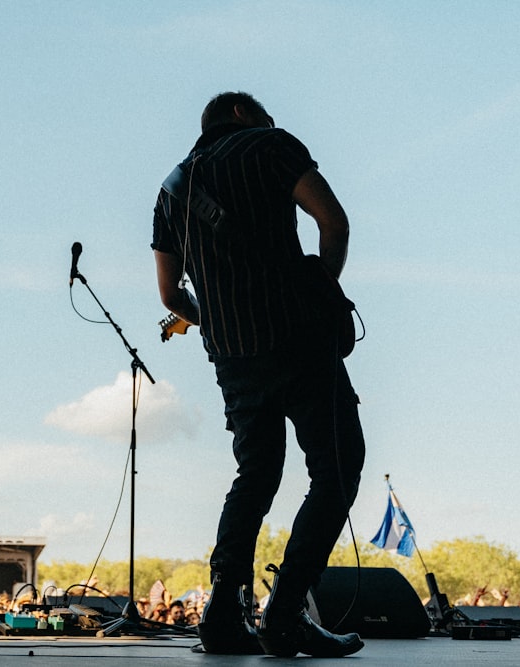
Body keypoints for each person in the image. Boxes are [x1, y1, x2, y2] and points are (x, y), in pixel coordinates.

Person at [152, 91, 366, 658]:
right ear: (245, 116)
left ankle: (222, 615)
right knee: (337, 468)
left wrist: (217, 323)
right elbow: (334, 223)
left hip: (234, 358)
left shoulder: (170, 190)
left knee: (256, 475)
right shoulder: (269, 144)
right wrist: (323, 288)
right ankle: (286, 614)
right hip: (298, 339)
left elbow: (171, 293)